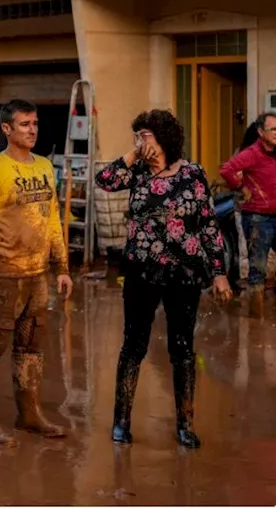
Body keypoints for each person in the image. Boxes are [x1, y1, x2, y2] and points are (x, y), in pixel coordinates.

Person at [95, 110, 232, 448]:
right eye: (137, 135)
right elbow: (104, 180)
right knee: (133, 344)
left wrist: (219, 274)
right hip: (142, 269)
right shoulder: (136, 172)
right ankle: (121, 422)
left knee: (182, 347)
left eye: (146, 135)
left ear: (165, 137)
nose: (140, 142)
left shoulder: (192, 173)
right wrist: (132, 154)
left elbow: (208, 226)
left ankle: (185, 423)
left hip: (184, 272)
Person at [0, 99, 73, 447]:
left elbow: (53, 219)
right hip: (3, 274)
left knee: (31, 346)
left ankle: (29, 415)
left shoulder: (44, 166)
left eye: (35, 123)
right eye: (25, 124)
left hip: (37, 274)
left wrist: (62, 266)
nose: (32, 130)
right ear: (7, 129)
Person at [220, 111, 276, 292]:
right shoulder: (250, 153)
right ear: (261, 132)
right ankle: (256, 317)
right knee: (257, 269)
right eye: (273, 129)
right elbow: (227, 170)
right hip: (258, 217)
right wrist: (241, 188)